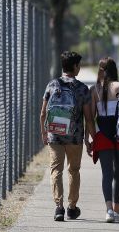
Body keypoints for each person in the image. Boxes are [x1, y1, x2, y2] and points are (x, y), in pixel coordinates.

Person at [39, 51, 96, 222]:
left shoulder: (52, 85)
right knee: (74, 170)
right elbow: (88, 118)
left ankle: (58, 207)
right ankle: (71, 207)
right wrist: (90, 139)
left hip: (54, 135)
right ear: (75, 67)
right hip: (74, 136)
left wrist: (44, 133)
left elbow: (43, 113)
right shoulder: (82, 89)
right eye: (79, 65)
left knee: (56, 170)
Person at [85, 57, 119, 223]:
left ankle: (109, 210)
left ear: (101, 70)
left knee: (107, 173)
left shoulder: (95, 90)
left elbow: (90, 118)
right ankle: (117, 210)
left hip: (103, 134)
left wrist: (90, 138)